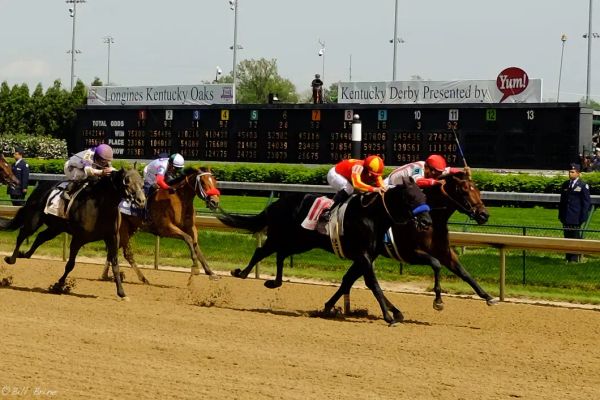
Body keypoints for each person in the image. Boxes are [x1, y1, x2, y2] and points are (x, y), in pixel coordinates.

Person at [321, 155, 387, 220]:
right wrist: (374, 189)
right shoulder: (358, 167)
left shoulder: (375, 171)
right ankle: (329, 210)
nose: (372, 176)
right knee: (349, 189)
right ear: (366, 168)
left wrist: (383, 188)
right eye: (371, 174)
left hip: (347, 177)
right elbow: (357, 184)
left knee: (364, 190)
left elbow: (380, 183)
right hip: (335, 174)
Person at [559, 163, 592, 263]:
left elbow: (586, 203)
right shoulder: (565, 184)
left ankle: (574, 258)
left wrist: (583, 216)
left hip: (576, 217)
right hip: (566, 216)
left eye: (572, 172)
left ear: (578, 173)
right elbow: (562, 201)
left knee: (574, 237)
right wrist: (561, 215)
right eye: (569, 172)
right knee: (567, 237)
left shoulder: (582, 185)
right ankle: (568, 257)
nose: (570, 173)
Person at [385, 154, 465, 187]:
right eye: (436, 172)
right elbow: (417, 181)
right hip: (390, 184)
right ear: (428, 168)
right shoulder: (418, 168)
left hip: (404, 186)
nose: (436, 174)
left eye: (439, 172)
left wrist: (463, 172)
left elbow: (449, 170)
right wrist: (435, 182)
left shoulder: (433, 169)